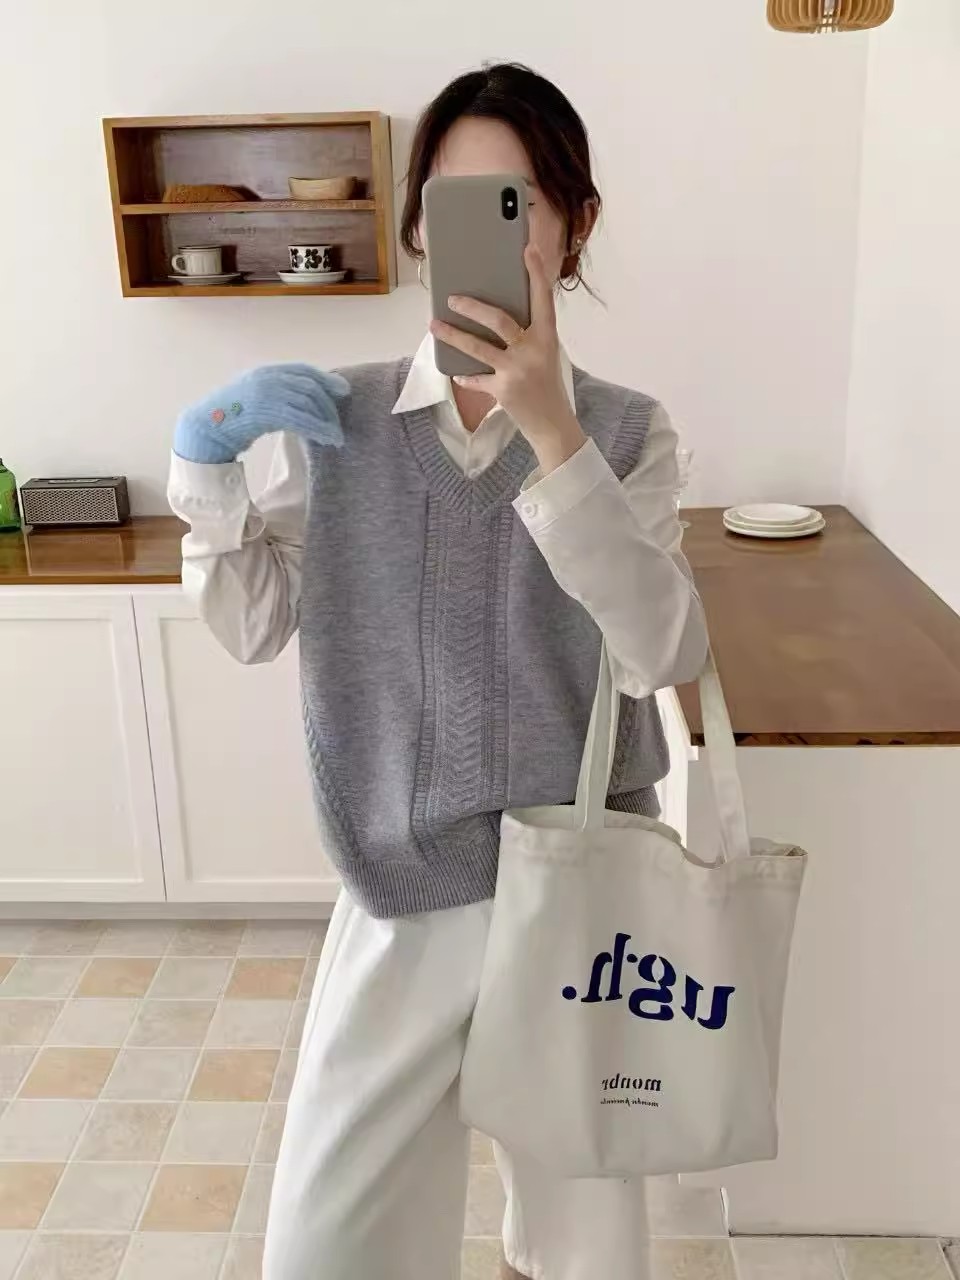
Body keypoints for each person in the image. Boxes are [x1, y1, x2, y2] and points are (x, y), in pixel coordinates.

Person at [168, 62, 707, 1280]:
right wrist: (203, 465)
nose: (484, 231)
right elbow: (254, 628)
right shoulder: (339, 422)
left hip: (578, 889)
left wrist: (555, 435)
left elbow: (661, 649)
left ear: (574, 225)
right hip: (398, 883)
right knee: (329, 1241)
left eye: (519, 202)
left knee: (583, 1249)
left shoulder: (629, 429)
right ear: (417, 227)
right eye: (455, 201)